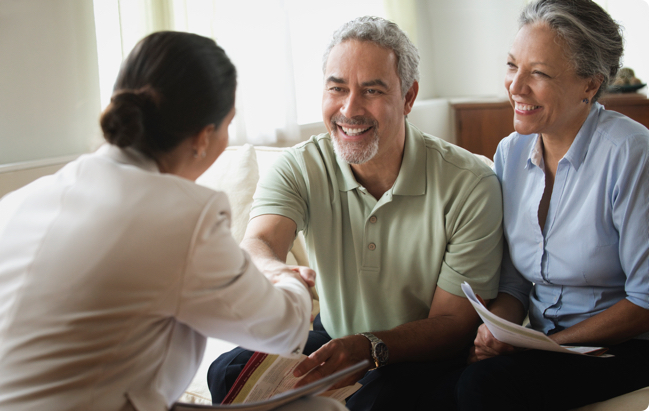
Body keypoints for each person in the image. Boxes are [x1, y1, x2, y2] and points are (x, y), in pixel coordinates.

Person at [0, 31, 346, 411]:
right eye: (229, 123)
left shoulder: (20, 202)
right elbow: (281, 330)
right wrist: (287, 279)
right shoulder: (183, 214)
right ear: (203, 136)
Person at [208, 16, 504, 411]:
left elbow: (452, 325)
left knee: (377, 401)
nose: (350, 108)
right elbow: (260, 241)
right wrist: (276, 272)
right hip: (335, 337)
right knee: (226, 371)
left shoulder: (470, 183)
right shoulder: (299, 166)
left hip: (421, 353)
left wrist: (371, 347)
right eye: (337, 88)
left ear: (409, 97)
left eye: (372, 90)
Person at [455, 1, 649, 410]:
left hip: (626, 346)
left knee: (483, 387)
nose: (515, 86)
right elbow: (515, 283)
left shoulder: (630, 153)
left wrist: (545, 346)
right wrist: (500, 331)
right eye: (512, 65)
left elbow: (644, 303)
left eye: (539, 73)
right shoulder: (510, 153)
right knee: (439, 375)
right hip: (547, 344)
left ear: (590, 85)